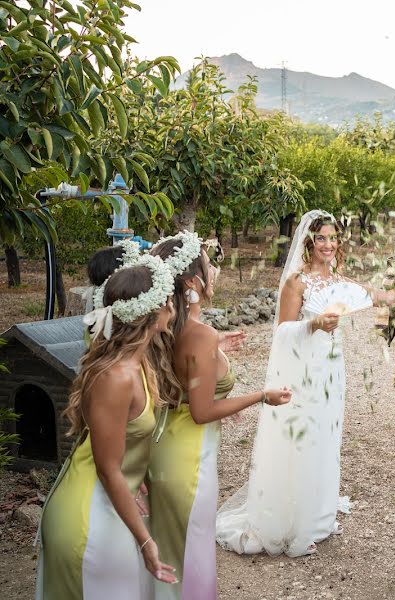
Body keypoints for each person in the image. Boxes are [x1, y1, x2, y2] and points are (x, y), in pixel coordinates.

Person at [216, 210, 395, 557]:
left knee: (324, 436)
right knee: (300, 438)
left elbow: (390, 297)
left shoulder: (340, 281)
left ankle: (317, 513)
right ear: (309, 242)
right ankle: (291, 517)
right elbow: (281, 331)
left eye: (333, 238)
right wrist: (314, 324)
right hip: (302, 372)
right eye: (322, 238)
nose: (329, 244)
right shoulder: (297, 283)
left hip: (332, 373)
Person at [146, 231, 292, 600]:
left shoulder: (164, 328)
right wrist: (261, 396)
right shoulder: (201, 336)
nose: (216, 274)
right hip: (191, 461)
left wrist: (216, 353)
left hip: (163, 450)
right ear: (194, 282)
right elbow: (202, 411)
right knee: (191, 556)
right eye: (211, 267)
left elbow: (182, 387)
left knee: (167, 556)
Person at [36, 255, 179, 598]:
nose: (173, 303)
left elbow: (121, 441)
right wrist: (146, 542)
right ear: (153, 311)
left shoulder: (137, 361)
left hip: (114, 503)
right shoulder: (116, 376)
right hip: (90, 515)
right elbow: (107, 468)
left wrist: (137, 477)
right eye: (168, 298)